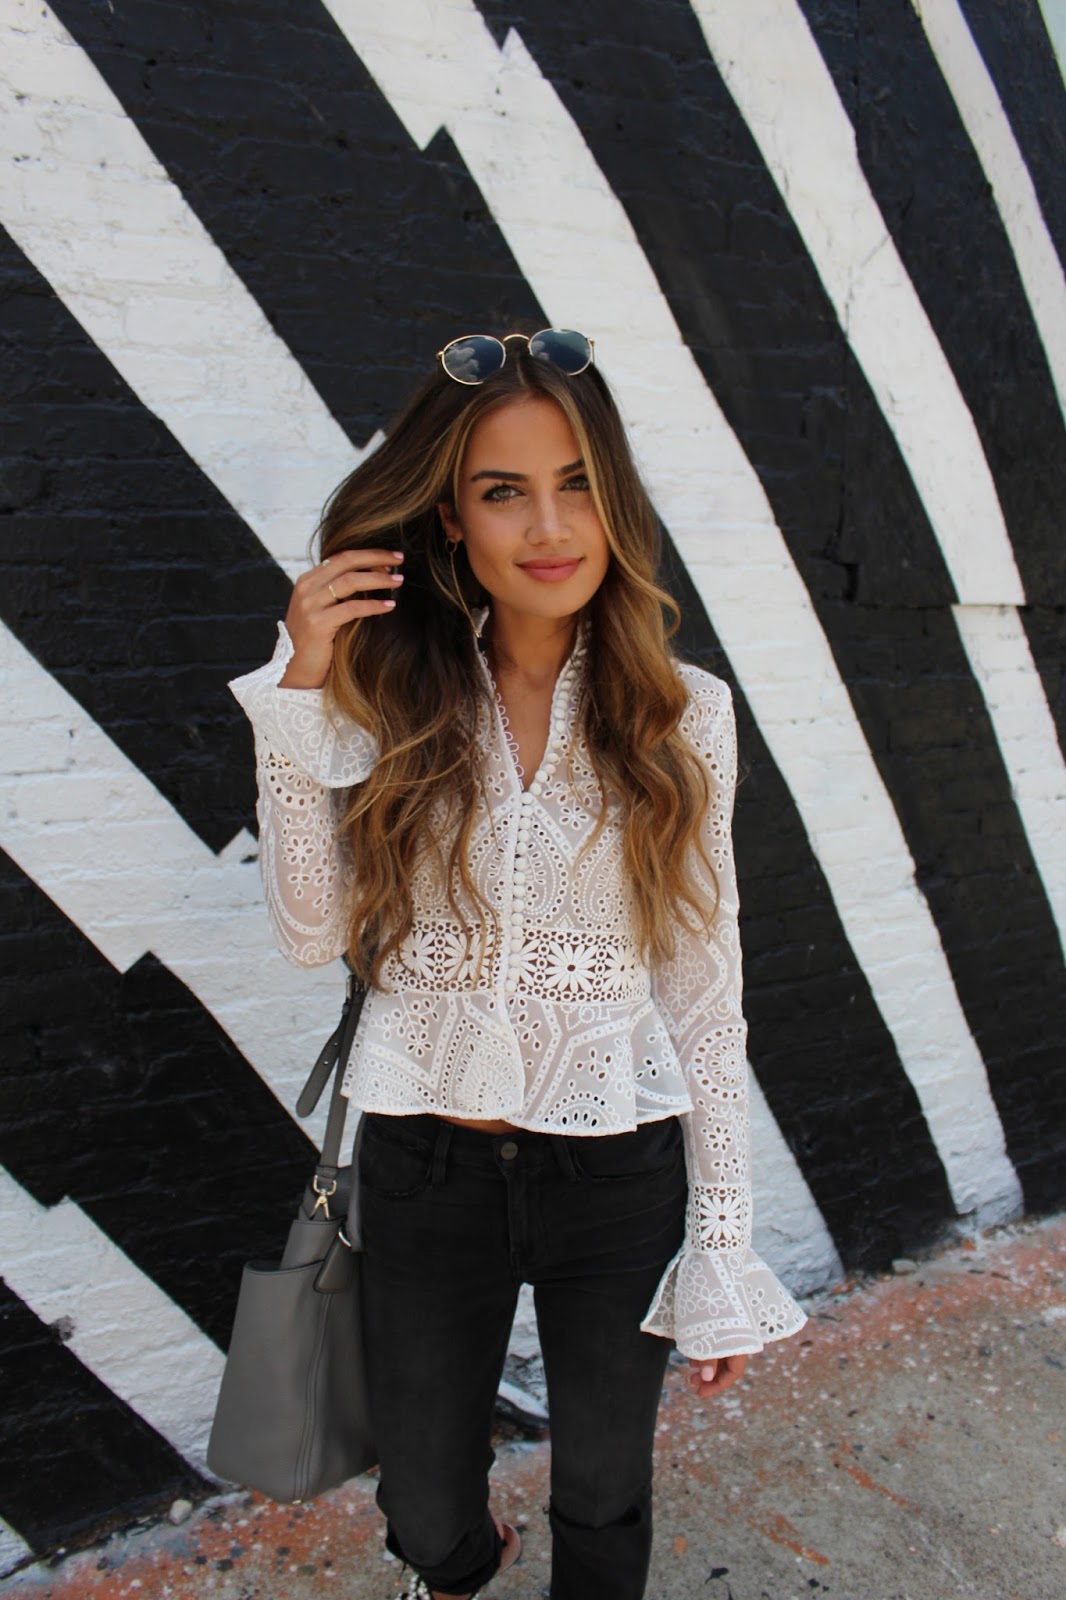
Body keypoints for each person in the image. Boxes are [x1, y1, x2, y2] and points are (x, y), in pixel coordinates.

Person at [228, 329, 806, 1600]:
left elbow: (704, 993)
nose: (549, 526)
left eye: (577, 482)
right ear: (450, 515)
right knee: (423, 1505)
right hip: (429, 1165)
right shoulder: (390, 690)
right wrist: (298, 690)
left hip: (618, 1172)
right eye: (503, 490)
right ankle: (463, 1568)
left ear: (615, 499)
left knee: (603, 1488)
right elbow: (311, 932)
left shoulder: (683, 713)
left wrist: (721, 1244)